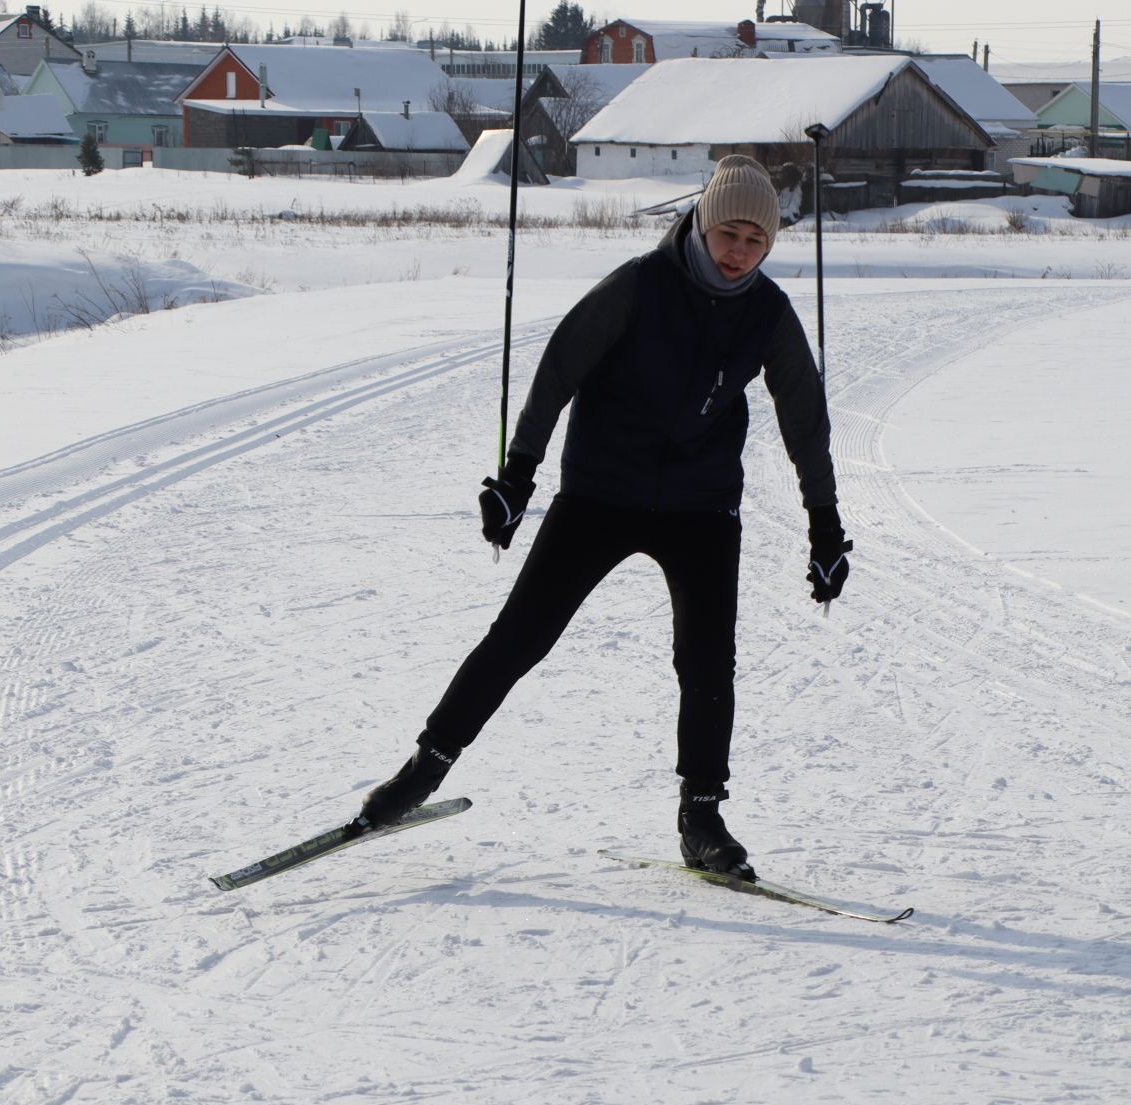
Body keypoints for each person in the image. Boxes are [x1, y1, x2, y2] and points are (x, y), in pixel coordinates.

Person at [356, 155, 850, 883]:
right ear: (704, 225)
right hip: (601, 492)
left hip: (701, 504)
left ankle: (702, 815)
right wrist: (518, 476)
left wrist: (825, 527)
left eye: (756, 240)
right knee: (520, 638)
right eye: (730, 234)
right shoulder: (640, 286)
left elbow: (805, 421)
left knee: (708, 661)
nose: (740, 251)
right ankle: (422, 770)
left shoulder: (768, 313)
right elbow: (559, 371)